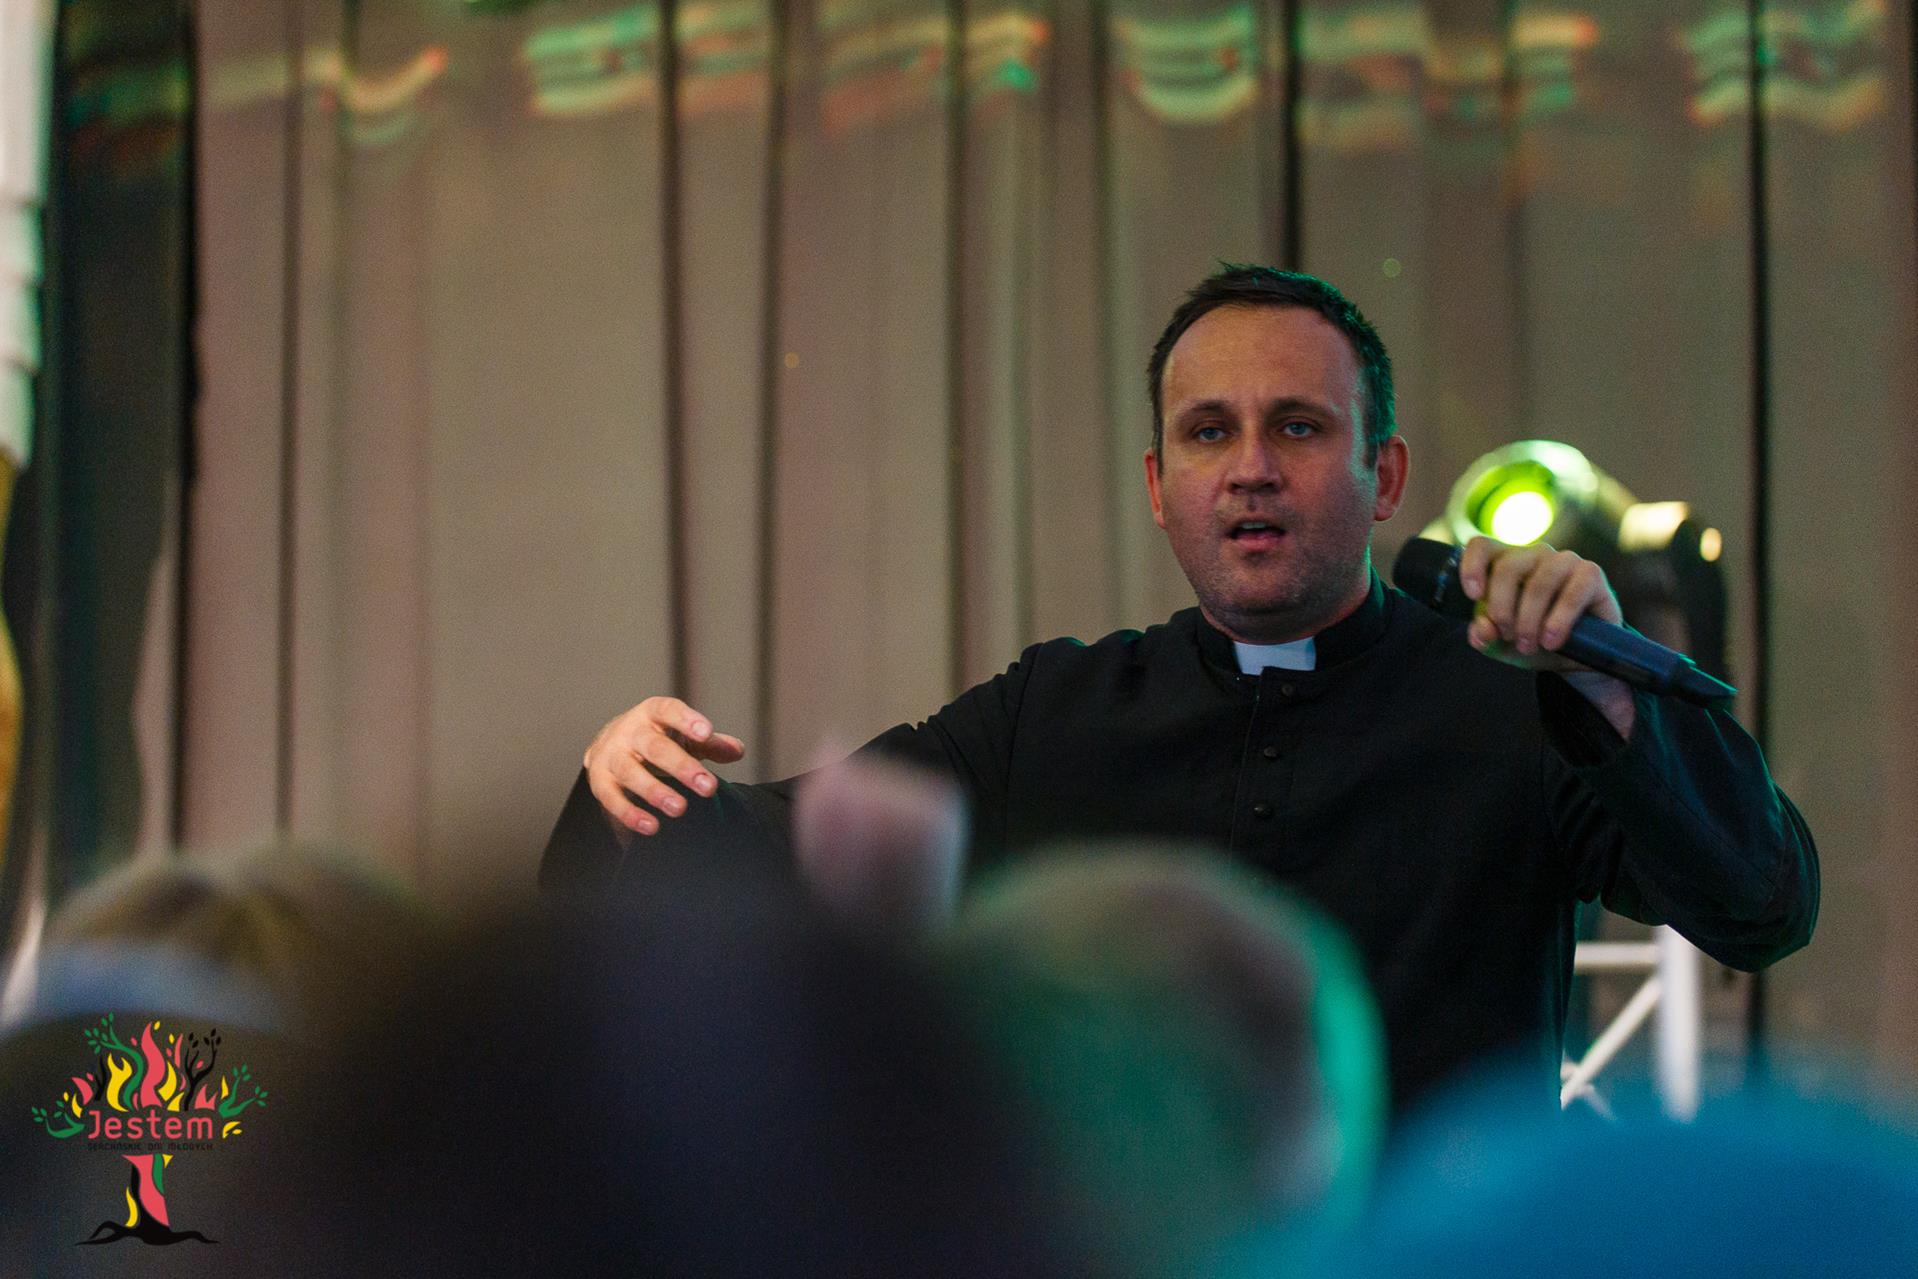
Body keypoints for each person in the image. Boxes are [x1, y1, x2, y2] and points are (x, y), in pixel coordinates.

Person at [540, 265, 1818, 1113]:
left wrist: (1609, 699)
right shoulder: (1053, 712)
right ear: (1159, 487)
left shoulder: (1512, 702)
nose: (1250, 468)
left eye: (1297, 426)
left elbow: (1760, 905)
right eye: (1209, 432)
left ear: (1382, 476)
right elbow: (778, 855)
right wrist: (628, 780)